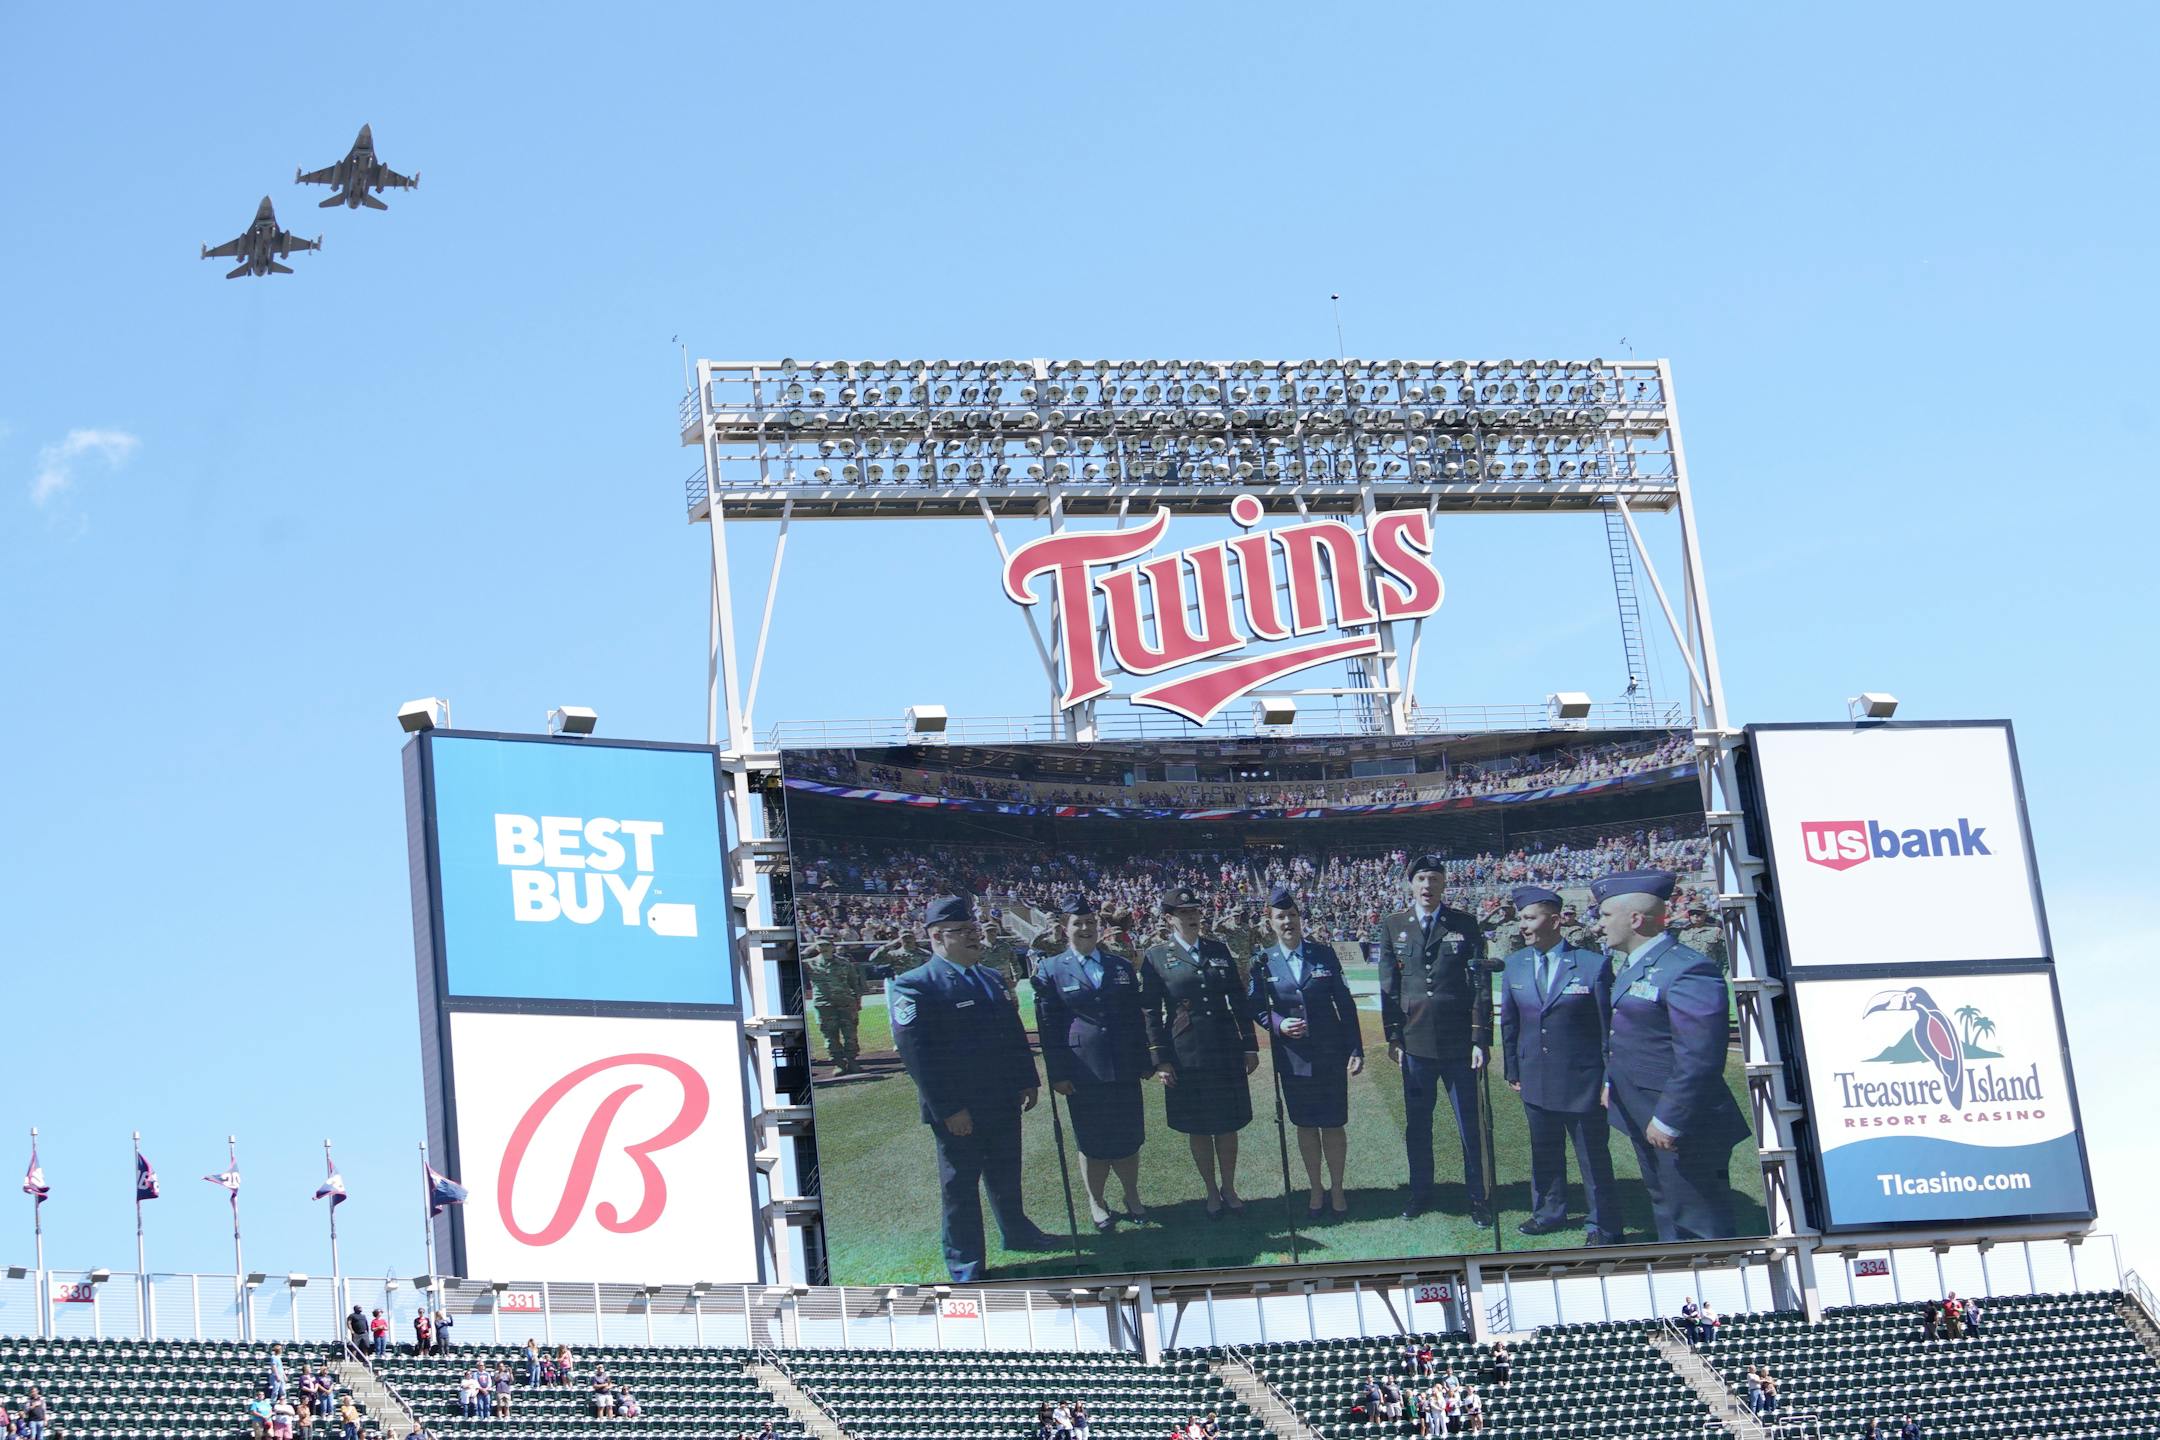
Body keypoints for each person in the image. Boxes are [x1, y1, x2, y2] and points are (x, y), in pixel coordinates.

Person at [890, 895, 1061, 1282]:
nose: (974, 937)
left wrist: (1027, 1079)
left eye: (974, 929)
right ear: (936, 937)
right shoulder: (915, 984)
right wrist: (949, 1109)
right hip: (959, 1108)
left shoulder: (989, 978)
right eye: (962, 931)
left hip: (1001, 1099)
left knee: (1006, 1174)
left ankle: (1017, 1232)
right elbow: (918, 1056)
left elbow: (1012, 1033)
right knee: (960, 1186)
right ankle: (965, 1260)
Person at [1595, 869, 1748, 1242]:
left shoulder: (1688, 968)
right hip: (1643, 1111)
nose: (1599, 926)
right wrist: (1610, 1081)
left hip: (1682, 1122)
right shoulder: (1637, 964)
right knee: (1666, 1207)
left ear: (1634, 919)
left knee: (1698, 1221)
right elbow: (1631, 1035)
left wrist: (1668, 1118)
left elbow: (1699, 1056)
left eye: (1604, 915)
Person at [1498, 883, 1621, 1243]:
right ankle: (1549, 1213)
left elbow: (1607, 1030)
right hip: (1534, 1077)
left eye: (1529, 918)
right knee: (1544, 1154)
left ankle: (1603, 1224)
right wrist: (1512, 1067)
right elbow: (1509, 1021)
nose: (1522, 925)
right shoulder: (1515, 965)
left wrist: (1608, 1080)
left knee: (1593, 1158)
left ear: (1553, 921)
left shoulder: (1593, 965)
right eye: (1521, 918)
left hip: (1584, 1083)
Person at [1378, 854, 1493, 1223]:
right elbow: (1388, 987)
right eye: (1421, 879)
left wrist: (1480, 1037)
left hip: (1459, 1044)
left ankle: (1479, 1197)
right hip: (1416, 1044)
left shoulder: (1464, 923)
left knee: (1470, 1126)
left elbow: (1480, 985)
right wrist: (1393, 1036)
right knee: (1418, 1127)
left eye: (1434, 879)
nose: (1427, 886)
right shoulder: (1394, 925)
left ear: (1444, 884)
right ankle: (1420, 1193)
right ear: (1411, 883)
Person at [1035, 895, 1154, 1230]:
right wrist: (1057, 1073)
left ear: (1098, 927)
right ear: (1064, 929)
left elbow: (1135, 1015)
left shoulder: (1119, 965)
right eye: (1077, 923)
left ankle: (1132, 1196)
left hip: (1123, 1067)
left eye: (1090, 923)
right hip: (1081, 1071)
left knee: (1129, 1139)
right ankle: (1097, 1201)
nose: (1085, 928)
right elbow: (1048, 1029)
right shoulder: (1051, 970)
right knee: (1092, 1142)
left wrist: (1145, 1060)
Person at [1141, 886, 1260, 1218]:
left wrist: (1249, 1044)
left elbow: (1238, 999)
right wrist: (1160, 1058)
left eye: (1195, 911)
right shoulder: (1155, 957)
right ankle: (1210, 1190)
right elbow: (1150, 1011)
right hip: (1185, 1053)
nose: (1192, 917)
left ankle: (1229, 1187)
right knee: (1198, 1126)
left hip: (1224, 1050)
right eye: (1184, 913)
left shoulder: (1218, 949)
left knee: (1227, 1123)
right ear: (1169, 919)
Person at [1249, 885, 1365, 1218]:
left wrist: (1355, 1047)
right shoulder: (1262, 961)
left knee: (1332, 1124)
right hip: (1293, 1058)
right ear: (1270, 923)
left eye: (1292, 915)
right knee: (1305, 1125)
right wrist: (1278, 1024)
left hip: (1330, 1054)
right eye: (1280, 917)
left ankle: (1338, 1189)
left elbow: (1344, 1002)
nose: (1288, 922)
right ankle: (1316, 1188)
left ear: (1301, 918)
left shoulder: (1323, 954)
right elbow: (1255, 1005)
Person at [802, 938, 872, 1074]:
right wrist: (808, 950)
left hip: (846, 1003)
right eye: (821, 945)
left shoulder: (844, 963)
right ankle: (839, 1064)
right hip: (824, 1005)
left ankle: (852, 1062)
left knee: (850, 1034)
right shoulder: (809, 964)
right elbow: (793, 959)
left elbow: (855, 983)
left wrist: (858, 1000)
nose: (824, 948)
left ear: (833, 947)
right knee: (830, 1036)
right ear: (816, 947)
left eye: (827, 945)